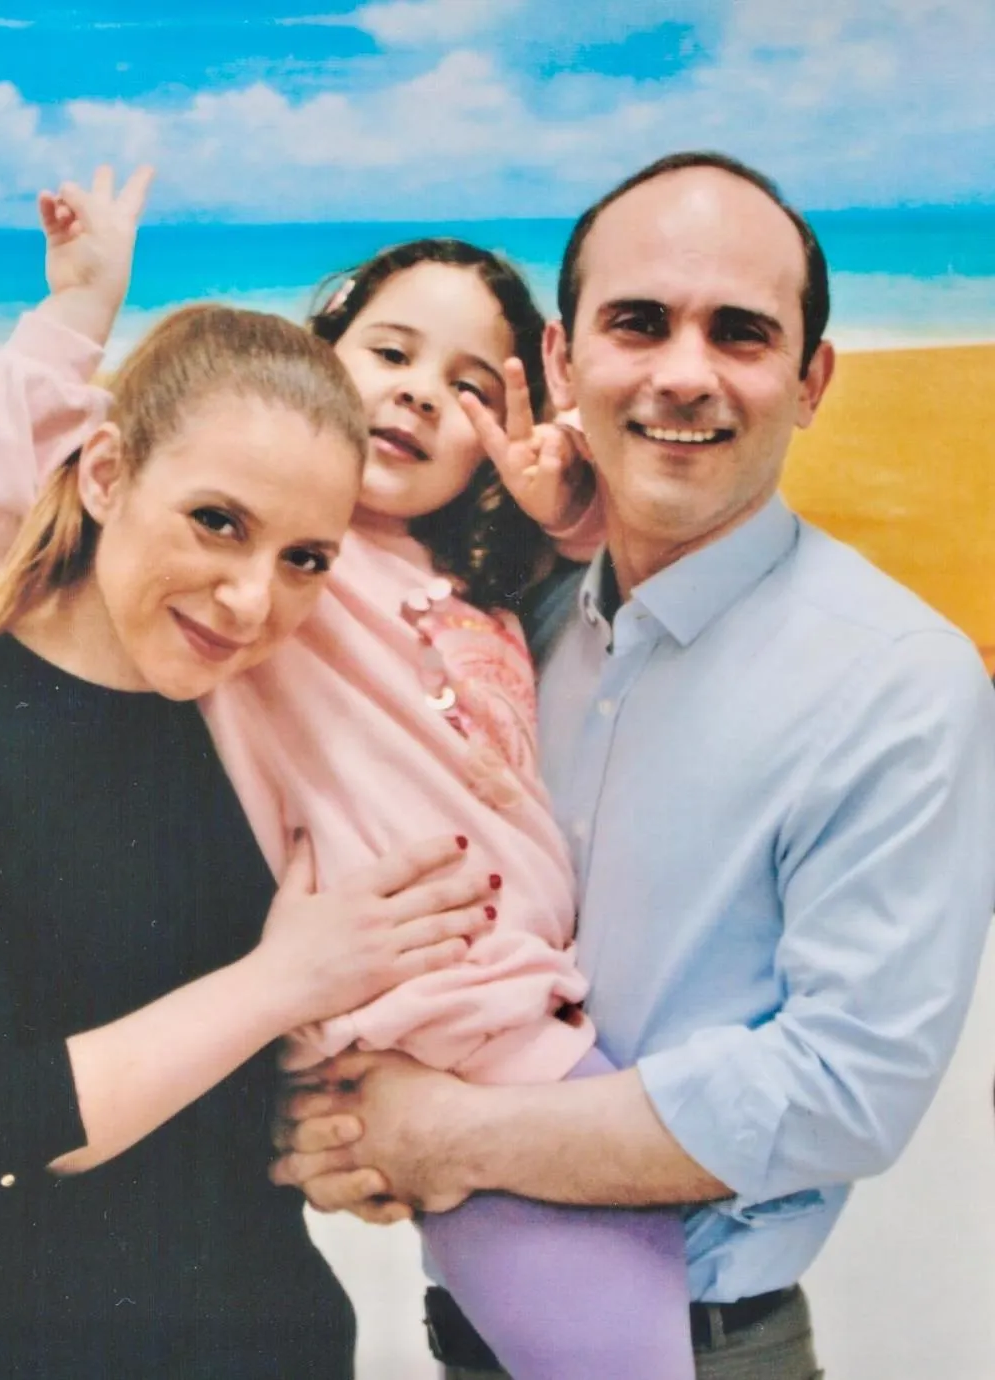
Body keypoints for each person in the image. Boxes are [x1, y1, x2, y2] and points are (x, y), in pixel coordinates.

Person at [0, 170, 697, 1376]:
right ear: (319, 353)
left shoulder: (492, 587)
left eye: (469, 387)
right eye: (389, 351)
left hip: (531, 1017)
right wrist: (77, 310)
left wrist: (568, 516)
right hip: (433, 1026)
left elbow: (621, 582)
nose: (418, 393)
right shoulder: (277, 578)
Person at [269, 151, 995, 1380]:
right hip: (470, 1332)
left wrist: (451, 1136)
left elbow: (842, 1088)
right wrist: (350, 1124)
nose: (684, 373)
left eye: (742, 332)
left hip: (701, 1349)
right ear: (563, 363)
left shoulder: (900, 683)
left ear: (811, 381)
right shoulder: (512, 627)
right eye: (639, 323)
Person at [0, 302, 503, 1379]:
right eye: (217, 521)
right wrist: (278, 984)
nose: (251, 600)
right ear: (105, 475)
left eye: (305, 559)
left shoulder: (273, 730)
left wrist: (352, 1135)